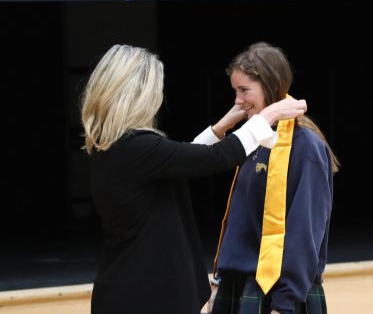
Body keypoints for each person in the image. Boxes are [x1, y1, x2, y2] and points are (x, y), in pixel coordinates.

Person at [80, 44, 307, 314]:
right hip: (143, 297)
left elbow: (183, 160)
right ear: (138, 94)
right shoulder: (134, 147)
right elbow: (213, 159)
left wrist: (222, 126)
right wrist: (269, 115)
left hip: (128, 291)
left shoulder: (116, 146)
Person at [201, 42, 340, 314]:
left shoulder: (305, 147)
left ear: (269, 85)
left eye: (244, 90)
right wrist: (218, 284)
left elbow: (305, 231)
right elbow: (237, 221)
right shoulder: (252, 141)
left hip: (278, 293)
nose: (237, 100)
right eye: (234, 91)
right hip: (238, 286)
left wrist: (285, 302)